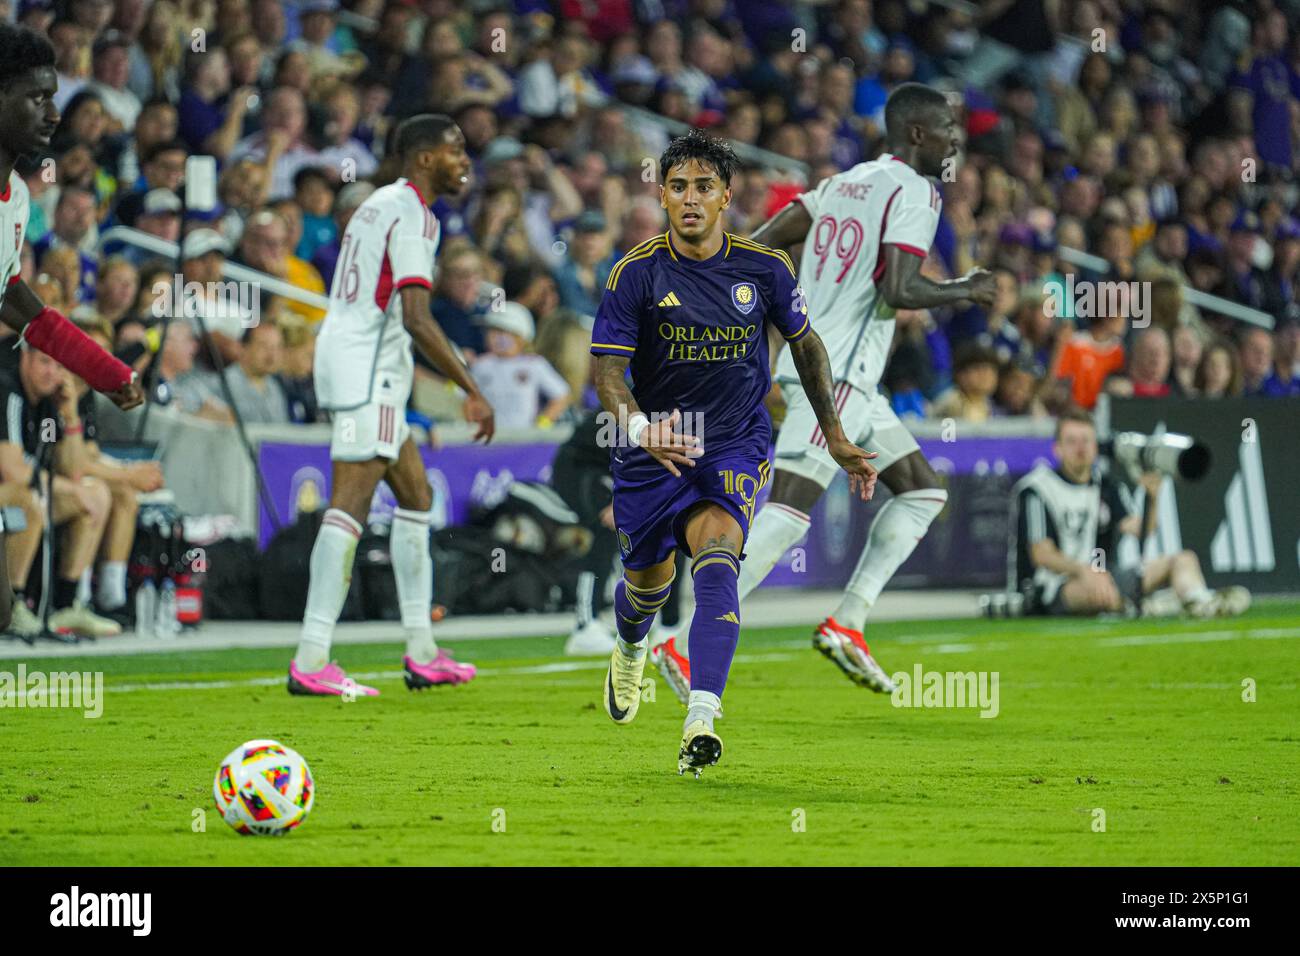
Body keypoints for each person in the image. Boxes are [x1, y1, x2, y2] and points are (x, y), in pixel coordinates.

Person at [654, 84, 996, 702]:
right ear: (917, 134)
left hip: (841, 375)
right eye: (947, 126)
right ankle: (681, 640)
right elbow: (899, 289)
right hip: (834, 377)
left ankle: (848, 621)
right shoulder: (917, 191)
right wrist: (966, 288)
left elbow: (783, 227)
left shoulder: (847, 181)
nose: (956, 137)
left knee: (920, 491)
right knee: (785, 515)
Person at [590, 128, 876, 777]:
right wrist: (638, 429)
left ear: (725, 197)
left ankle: (701, 717)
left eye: (704, 187)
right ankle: (631, 647)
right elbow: (606, 372)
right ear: (662, 194)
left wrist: (831, 432)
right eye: (678, 187)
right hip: (652, 449)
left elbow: (806, 345)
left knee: (718, 558)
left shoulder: (765, 268)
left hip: (734, 443)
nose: (690, 199)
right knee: (647, 587)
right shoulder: (636, 272)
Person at [290, 114, 495, 697]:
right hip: (369, 369)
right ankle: (311, 656)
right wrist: (470, 388)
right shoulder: (412, 213)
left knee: (416, 497)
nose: (465, 162)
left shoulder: (380, 201)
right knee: (349, 506)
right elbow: (415, 315)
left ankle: (422, 650)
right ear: (425, 158)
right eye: (456, 151)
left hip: (360, 356)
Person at [0, 23, 145, 631]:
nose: (53, 114)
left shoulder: (14, 199)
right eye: (35, 98)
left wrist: (102, 370)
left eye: (53, 96)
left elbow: (12, 297)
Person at [1013, 407, 1249, 618]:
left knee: (1184, 559)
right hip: (1053, 584)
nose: (1080, 448)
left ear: (1095, 447)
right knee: (1092, 591)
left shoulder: (1106, 486)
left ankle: (1200, 602)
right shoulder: (1038, 488)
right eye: (1072, 441)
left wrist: (1153, 499)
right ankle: (1154, 607)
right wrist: (1085, 572)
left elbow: (1141, 531)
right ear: (1057, 449)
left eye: (1086, 440)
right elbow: (1041, 554)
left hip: (1104, 575)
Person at [0, 344, 123, 637]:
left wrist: (69, 415)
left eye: (58, 366)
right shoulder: (7, 392)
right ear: (24, 357)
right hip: (10, 495)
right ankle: (11, 605)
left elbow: (72, 468)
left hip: (22, 495)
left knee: (96, 494)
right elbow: (11, 470)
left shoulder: (47, 405)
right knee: (28, 498)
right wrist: (69, 488)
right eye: (44, 362)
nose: (52, 373)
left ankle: (66, 605)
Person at [469, 302, 572, 430]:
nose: (491, 337)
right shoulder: (481, 365)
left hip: (523, 439)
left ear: (520, 337)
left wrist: (542, 423)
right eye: (490, 331)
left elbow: (562, 395)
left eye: (500, 331)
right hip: (489, 439)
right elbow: (466, 397)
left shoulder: (534, 364)